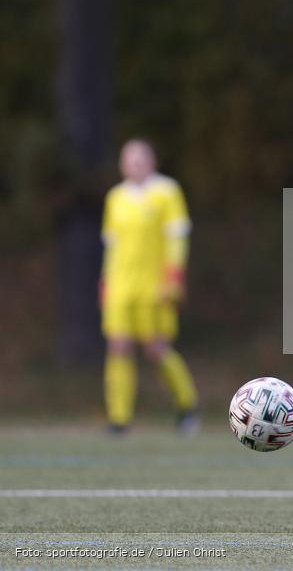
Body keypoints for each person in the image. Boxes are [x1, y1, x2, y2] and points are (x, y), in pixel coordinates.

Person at [100, 138, 199, 435]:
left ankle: (187, 405)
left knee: (156, 349)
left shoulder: (167, 192)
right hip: (120, 285)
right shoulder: (115, 197)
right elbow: (111, 246)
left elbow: (177, 238)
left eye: (140, 159)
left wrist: (174, 278)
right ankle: (118, 419)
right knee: (118, 346)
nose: (135, 164)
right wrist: (105, 281)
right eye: (129, 160)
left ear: (152, 161)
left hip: (154, 285)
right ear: (122, 165)